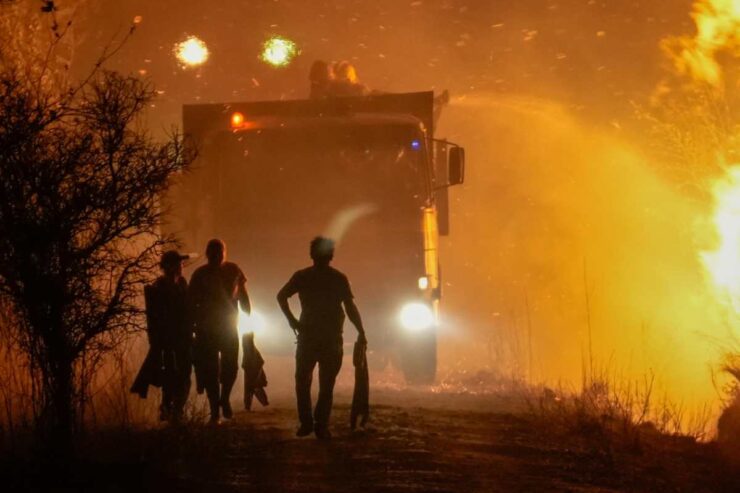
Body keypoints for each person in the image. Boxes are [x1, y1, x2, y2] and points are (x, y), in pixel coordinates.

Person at [277, 236, 367, 439]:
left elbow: (281, 296)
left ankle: (307, 422)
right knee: (327, 384)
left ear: (312, 254)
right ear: (331, 255)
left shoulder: (302, 276)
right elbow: (350, 308)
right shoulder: (338, 278)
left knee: (302, 380)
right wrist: (361, 331)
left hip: (309, 336)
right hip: (331, 337)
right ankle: (320, 424)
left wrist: (292, 321)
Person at [189, 239, 251, 423]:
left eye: (219, 252)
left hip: (227, 326)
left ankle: (224, 399)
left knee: (230, 366)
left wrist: (248, 314)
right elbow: (191, 301)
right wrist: (192, 324)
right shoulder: (200, 274)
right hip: (206, 328)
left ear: (224, 253)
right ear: (208, 254)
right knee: (210, 370)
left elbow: (243, 294)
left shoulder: (233, 270)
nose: (216, 256)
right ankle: (215, 408)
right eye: (213, 252)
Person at [131, 250, 192, 422]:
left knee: (185, 375)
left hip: (183, 338)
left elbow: (187, 310)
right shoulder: (159, 288)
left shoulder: (182, 283)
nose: (181, 266)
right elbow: (157, 316)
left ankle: (176, 410)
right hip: (168, 339)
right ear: (170, 266)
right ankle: (170, 410)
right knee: (171, 376)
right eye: (178, 263)